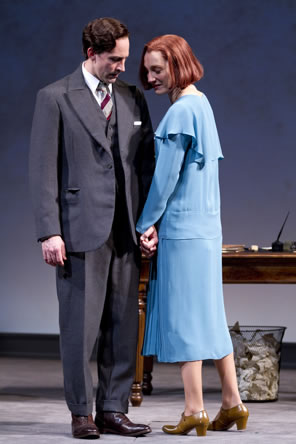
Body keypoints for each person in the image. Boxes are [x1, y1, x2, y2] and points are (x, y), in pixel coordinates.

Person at [29, 17, 155, 439]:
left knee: (123, 326)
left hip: (126, 229)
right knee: (80, 330)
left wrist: (150, 222)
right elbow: (42, 169)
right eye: (115, 60)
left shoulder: (133, 98)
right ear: (91, 54)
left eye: (125, 58)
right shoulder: (55, 97)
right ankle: (81, 412)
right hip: (80, 229)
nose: (123, 67)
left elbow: (147, 165)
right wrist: (50, 231)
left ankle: (113, 410)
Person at [136, 34, 249, 437]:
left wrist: (144, 222)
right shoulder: (203, 104)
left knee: (185, 319)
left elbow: (165, 180)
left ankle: (194, 410)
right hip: (205, 229)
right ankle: (233, 403)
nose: (150, 78)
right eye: (147, 70)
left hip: (183, 231)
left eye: (157, 69)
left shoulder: (182, 111)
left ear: (178, 63)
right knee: (210, 317)